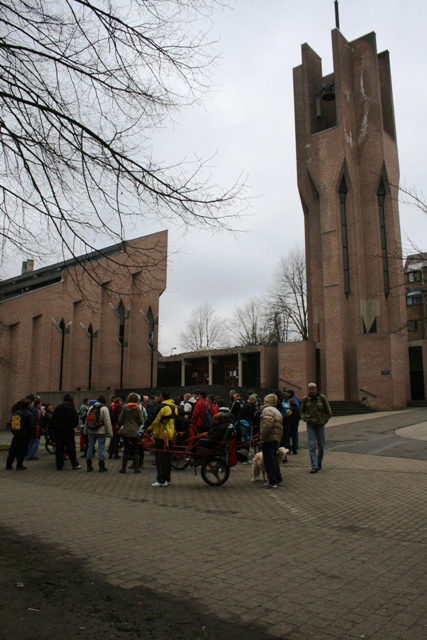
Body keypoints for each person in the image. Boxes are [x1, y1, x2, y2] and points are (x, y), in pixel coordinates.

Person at [145, 390, 177, 487]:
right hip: (170, 434)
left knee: (160, 457)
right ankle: (167, 478)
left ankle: (161, 479)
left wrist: (146, 429)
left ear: (162, 397)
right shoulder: (173, 407)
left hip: (161, 435)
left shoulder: (161, 407)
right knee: (167, 457)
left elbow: (154, 420)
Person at [300, 382, 332, 473]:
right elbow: (301, 411)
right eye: (310, 389)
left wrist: (324, 420)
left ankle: (319, 462)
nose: (311, 391)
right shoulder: (306, 399)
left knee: (321, 445)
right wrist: (304, 418)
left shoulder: (322, 398)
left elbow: (329, 412)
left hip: (320, 424)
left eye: (313, 389)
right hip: (310, 424)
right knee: (311, 445)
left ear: (316, 389)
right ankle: (314, 466)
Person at [259, 393, 284, 488]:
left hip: (269, 438)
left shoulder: (267, 410)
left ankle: (272, 481)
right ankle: (278, 479)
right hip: (276, 438)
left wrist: (262, 435)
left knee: (269, 461)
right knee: (274, 459)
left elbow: (268, 423)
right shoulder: (277, 411)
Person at [51, 394, 81, 470]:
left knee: (59, 449)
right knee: (71, 448)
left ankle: (59, 465)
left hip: (58, 431)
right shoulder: (72, 409)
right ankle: (74, 464)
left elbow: (53, 419)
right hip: (68, 431)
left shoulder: (58, 408)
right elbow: (75, 421)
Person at [117, 393, 145, 474]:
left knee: (126, 449)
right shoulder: (138, 408)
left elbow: (120, 419)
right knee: (135, 449)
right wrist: (136, 425)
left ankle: (123, 469)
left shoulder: (124, 407)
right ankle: (136, 468)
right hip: (135, 431)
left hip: (126, 431)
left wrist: (124, 424)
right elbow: (141, 420)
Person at [85, 394, 113, 472]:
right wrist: (110, 433)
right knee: (101, 447)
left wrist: (85, 430)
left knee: (90, 446)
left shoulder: (91, 407)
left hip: (91, 430)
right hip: (101, 430)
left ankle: (89, 464)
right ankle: (101, 465)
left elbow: (87, 419)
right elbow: (107, 421)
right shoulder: (104, 409)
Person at [6, 400, 34, 470]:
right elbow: (31, 426)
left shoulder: (16, 413)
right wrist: (30, 435)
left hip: (16, 434)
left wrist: (14, 432)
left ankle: (8, 464)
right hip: (25, 435)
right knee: (22, 450)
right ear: (28, 406)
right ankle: (19, 465)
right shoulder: (28, 414)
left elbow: (11, 423)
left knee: (13, 449)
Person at [283, 389, 300, 455]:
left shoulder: (289, 408)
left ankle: (288, 449)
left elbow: (287, 415)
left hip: (289, 424)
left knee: (288, 437)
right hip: (295, 424)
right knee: (294, 436)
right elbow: (299, 416)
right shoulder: (297, 408)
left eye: (288, 393)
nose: (286, 394)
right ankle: (295, 449)